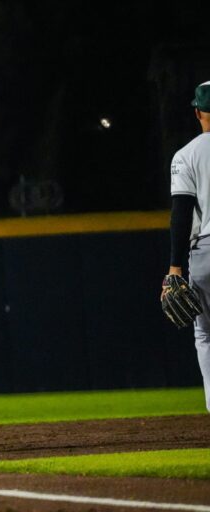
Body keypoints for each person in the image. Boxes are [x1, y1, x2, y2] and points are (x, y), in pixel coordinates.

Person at [164, 80, 210, 413]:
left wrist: (174, 269)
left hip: (206, 251)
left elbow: (181, 215)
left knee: (206, 335)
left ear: (198, 112)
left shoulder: (187, 155)